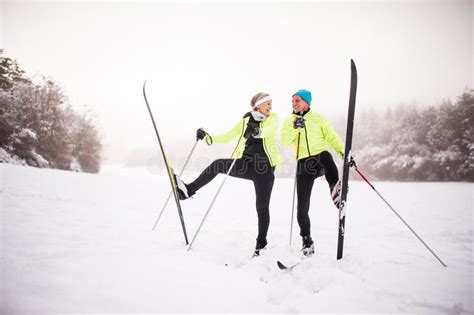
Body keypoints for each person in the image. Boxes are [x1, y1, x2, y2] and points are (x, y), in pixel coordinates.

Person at [173, 92, 281, 256]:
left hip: (264, 169)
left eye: (271, 104)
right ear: (258, 104)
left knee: (262, 207)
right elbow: (227, 136)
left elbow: (270, 130)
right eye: (268, 104)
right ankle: (188, 190)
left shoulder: (272, 118)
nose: (271, 107)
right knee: (218, 164)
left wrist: (257, 131)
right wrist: (207, 138)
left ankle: (261, 245)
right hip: (246, 163)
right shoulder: (246, 120)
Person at [281, 89, 344, 256]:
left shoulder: (318, 118)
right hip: (304, 164)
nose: (294, 103)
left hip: (320, 160)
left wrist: (344, 153)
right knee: (302, 207)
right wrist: (294, 128)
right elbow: (284, 141)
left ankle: (335, 188)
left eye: (297, 100)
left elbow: (331, 136)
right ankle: (307, 241)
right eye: (292, 101)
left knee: (325, 155)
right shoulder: (290, 122)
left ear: (307, 102)